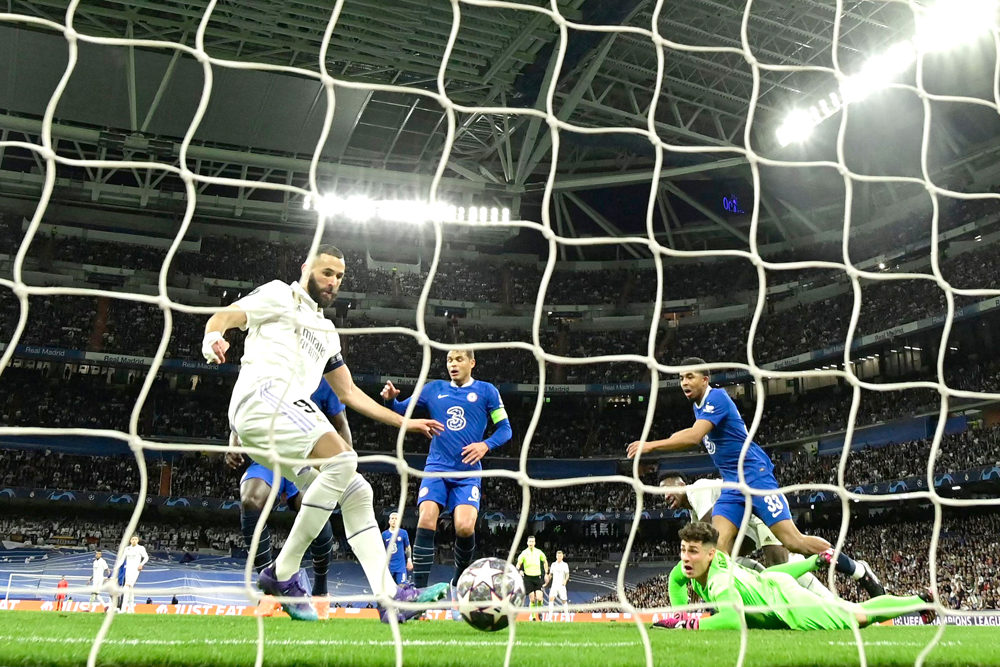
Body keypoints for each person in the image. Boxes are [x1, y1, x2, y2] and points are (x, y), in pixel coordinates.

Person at [202, 244, 448, 622]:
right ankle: (282, 573)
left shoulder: (328, 332)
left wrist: (405, 422)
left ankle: (390, 598)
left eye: (339, 276)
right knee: (344, 460)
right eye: (326, 272)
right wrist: (212, 338)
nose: (333, 281)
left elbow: (348, 392)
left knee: (357, 490)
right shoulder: (280, 295)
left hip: (282, 420)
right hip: (263, 398)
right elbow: (225, 316)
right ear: (306, 269)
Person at [628, 358, 883, 598]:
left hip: (754, 476)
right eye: (681, 378)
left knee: (794, 542)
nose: (684, 382)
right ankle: (729, 606)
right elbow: (690, 432)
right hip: (732, 484)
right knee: (718, 549)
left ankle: (858, 570)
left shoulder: (716, 397)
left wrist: (650, 446)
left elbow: (694, 437)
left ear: (705, 379)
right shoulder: (699, 407)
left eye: (690, 377)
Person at [381, 349, 512, 588]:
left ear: (472, 363)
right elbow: (400, 411)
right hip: (436, 469)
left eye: (459, 359)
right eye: (450, 360)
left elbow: (505, 429)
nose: (453, 364)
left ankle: (459, 582)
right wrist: (390, 400)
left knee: (465, 527)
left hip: (467, 473)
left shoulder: (487, 391)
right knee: (426, 518)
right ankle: (419, 591)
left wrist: (485, 445)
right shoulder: (433, 389)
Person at [654, 522, 934, 631]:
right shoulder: (690, 566)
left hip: (788, 603)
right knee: (852, 610)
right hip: (773, 582)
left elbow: (732, 619)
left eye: (693, 551)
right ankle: (920, 599)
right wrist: (680, 613)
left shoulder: (719, 582)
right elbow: (675, 581)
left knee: (858, 617)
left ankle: (919, 601)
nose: (686, 557)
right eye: (683, 550)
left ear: (711, 554)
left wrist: (689, 624)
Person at [225, 376, 350, 620]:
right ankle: (270, 590)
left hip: (304, 460)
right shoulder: (266, 370)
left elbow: (341, 424)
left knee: (315, 506)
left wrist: (346, 467)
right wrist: (233, 443)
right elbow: (237, 417)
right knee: (250, 500)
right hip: (267, 457)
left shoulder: (324, 380)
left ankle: (320, 592)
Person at [660, 475, 835, 600]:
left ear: (682, 484)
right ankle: (761, 582)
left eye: (668, 490)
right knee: (729, 561)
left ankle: (827, 597)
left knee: (779, 563)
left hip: (762, 506)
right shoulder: (694, 513)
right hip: (747, 520)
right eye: (662, 494)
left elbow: (711, 535)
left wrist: (701, 576)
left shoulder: (697, 490)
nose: (665, 497)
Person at [516, 536, 548, 621]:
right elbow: (518, 564)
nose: (531, 543)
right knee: (532, 599)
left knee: (539, 598)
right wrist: (519, 570)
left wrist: (546, 573)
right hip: (528, 578)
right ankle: (533, 617)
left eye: (532, 541)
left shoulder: (539, 552)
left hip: (537, 577)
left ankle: (539, 612)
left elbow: (545, 561)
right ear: (527, 543)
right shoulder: (524, 553)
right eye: (530, 541)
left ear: (535, 543)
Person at [381, 512, 412, 585]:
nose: (394, 520)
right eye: (392, 518)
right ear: (389, 521)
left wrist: (409, 560)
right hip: (388, 566)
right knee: (388, 587)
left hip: (400, 566)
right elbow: (382, 549)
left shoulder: (403, 533)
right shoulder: (384, 534)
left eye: (396, 519)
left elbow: (407, 547)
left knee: (402, 586)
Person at [122, 535, 149, 613]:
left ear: (138, 540)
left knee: (126, 586)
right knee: (130, 588)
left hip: (135, 570)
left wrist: (141, 564)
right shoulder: (127, 549)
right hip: (128, 570)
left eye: (135, 539)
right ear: (130, 540)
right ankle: (131, 609)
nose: (134, 540)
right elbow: (122, 558)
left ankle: (123, 609)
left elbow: (146, 557)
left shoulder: (141, 548)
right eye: (133, 539)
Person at [548, 550, 570, 618]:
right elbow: (551, 574)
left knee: (564, 600)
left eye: (560, 556)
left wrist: (565, 580)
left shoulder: (565, 565)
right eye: (558, 556)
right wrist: (548, 578)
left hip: (561, 585)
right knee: (551, 599)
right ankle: (550, 617)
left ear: (562, 556)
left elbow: (567, 574)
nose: (559, 557)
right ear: (556, 556)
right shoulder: (553, 564)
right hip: (554, 585)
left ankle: (567, 617)